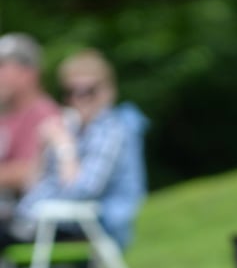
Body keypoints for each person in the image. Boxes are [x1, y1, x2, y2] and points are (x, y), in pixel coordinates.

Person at [2, 48, 147, 251]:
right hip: (38, 222)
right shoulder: (73, 129)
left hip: (81, 227)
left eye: (88, 91)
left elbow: (81, 191)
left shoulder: (110, 131)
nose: (80, 99)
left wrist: (64, 147)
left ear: (108, 91)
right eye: (71, 92)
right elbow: (31, 185)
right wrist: (43, 147)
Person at [0, 33, 60, 219]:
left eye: (2, 66)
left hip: (24, 215)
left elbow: (31, 171)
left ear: (28, 73)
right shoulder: (6, 113)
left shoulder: (45, 114)